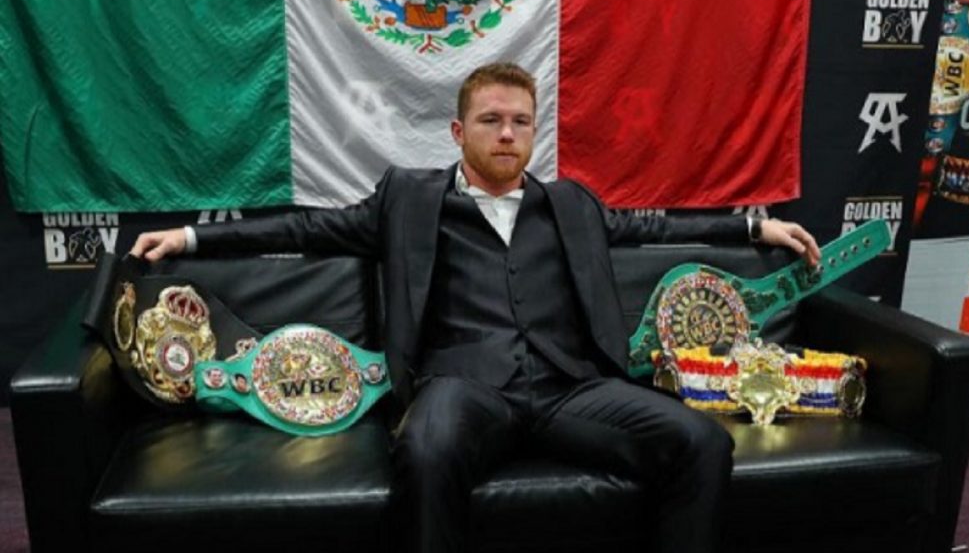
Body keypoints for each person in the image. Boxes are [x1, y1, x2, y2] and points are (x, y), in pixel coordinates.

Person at [131, 62, 820, 553]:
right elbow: (303, 230)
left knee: (701, 441)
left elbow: (656, 228)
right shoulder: (409, 198)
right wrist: (192, 236)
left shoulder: (571, 205)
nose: (507, 133)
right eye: (491, 120)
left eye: (521, 121)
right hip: (462, 386)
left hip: (569, 389)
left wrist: (755, 227)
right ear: (459, 133)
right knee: (428, 445)